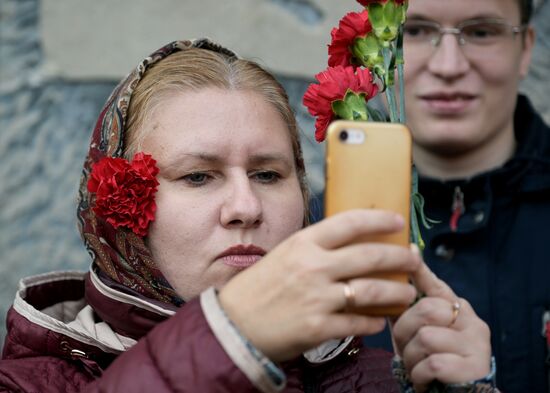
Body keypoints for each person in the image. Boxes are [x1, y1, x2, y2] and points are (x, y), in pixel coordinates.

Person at [0, 38, 493, 392]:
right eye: (198, 176)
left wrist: (463, 388)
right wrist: (231, 338)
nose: (246, 208)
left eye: (267, 175)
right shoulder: (24, 383)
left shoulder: (378, 377)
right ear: (120, 214)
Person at [358, 0, 550, 392]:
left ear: (525, 48)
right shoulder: (310, 230)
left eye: (480, 32)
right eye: (414, 31)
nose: (448, 66)